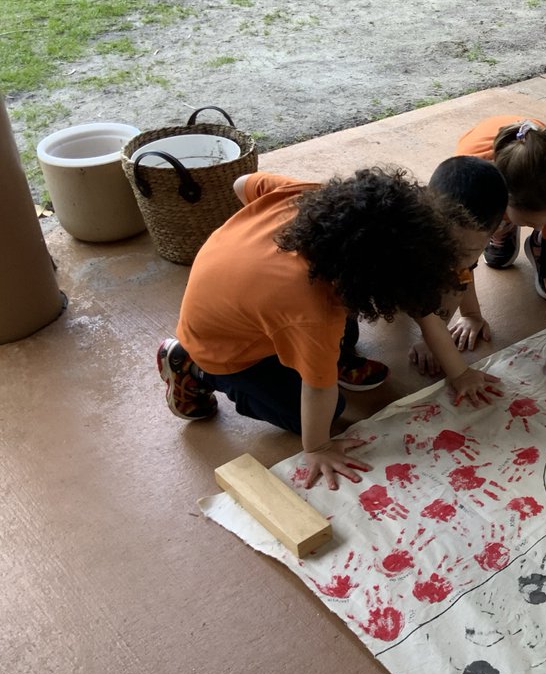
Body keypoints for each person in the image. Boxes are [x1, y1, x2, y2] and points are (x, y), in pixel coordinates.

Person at [156, 167, 465, 490]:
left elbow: (241, 184)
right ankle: (193, 368)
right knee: (324, 410)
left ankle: (324, 357)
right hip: (221, 348)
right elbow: (318, 390)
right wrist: (317, 447)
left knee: (340, 331)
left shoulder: (316, 198)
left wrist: (460, 374)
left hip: (242, 304)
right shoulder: (312, 310)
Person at [449, 114, 546, 385]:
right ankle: (502, 231)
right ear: (503, 204)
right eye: (534, 224)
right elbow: (461, 263)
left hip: (541, 159)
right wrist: (471, 315)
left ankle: (536, 245)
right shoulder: (472, 197)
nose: (543, 226)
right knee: (471, 244)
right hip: (489, 175)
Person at [407, 156, 510, 398]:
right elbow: (424, 313)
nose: (455, 260)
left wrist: (472, 315)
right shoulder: (416, 243)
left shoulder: (466, 244)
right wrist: (460, 373)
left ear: (494, 233)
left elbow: (464, 274)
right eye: (449, 247)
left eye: (467, 252)